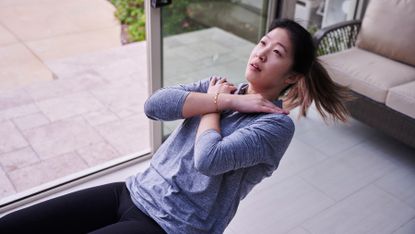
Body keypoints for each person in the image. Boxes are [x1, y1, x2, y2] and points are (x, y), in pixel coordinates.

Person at [0, 18, 350, 234]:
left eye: (276, 52)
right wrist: (226, 100)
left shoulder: (276, 126)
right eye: (263, 43)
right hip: (131, 191)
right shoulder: (219, 87)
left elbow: (208, 159)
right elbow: (153, 107)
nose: (260, 53)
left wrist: (213, 104)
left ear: (291, 76)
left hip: (172, 226)